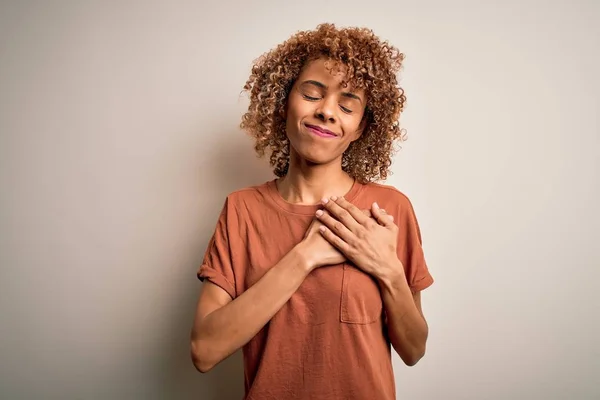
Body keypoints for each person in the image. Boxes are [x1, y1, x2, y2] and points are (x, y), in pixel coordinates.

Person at [190, 23, 434, 400]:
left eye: (347, 105)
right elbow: (204, 351)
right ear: (284, 101)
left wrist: (387, 268)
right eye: (311, 94)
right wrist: (304, 256)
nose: (327, 112)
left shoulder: (389, 210)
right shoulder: (242, 210)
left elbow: (414, 350)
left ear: (360, 127)